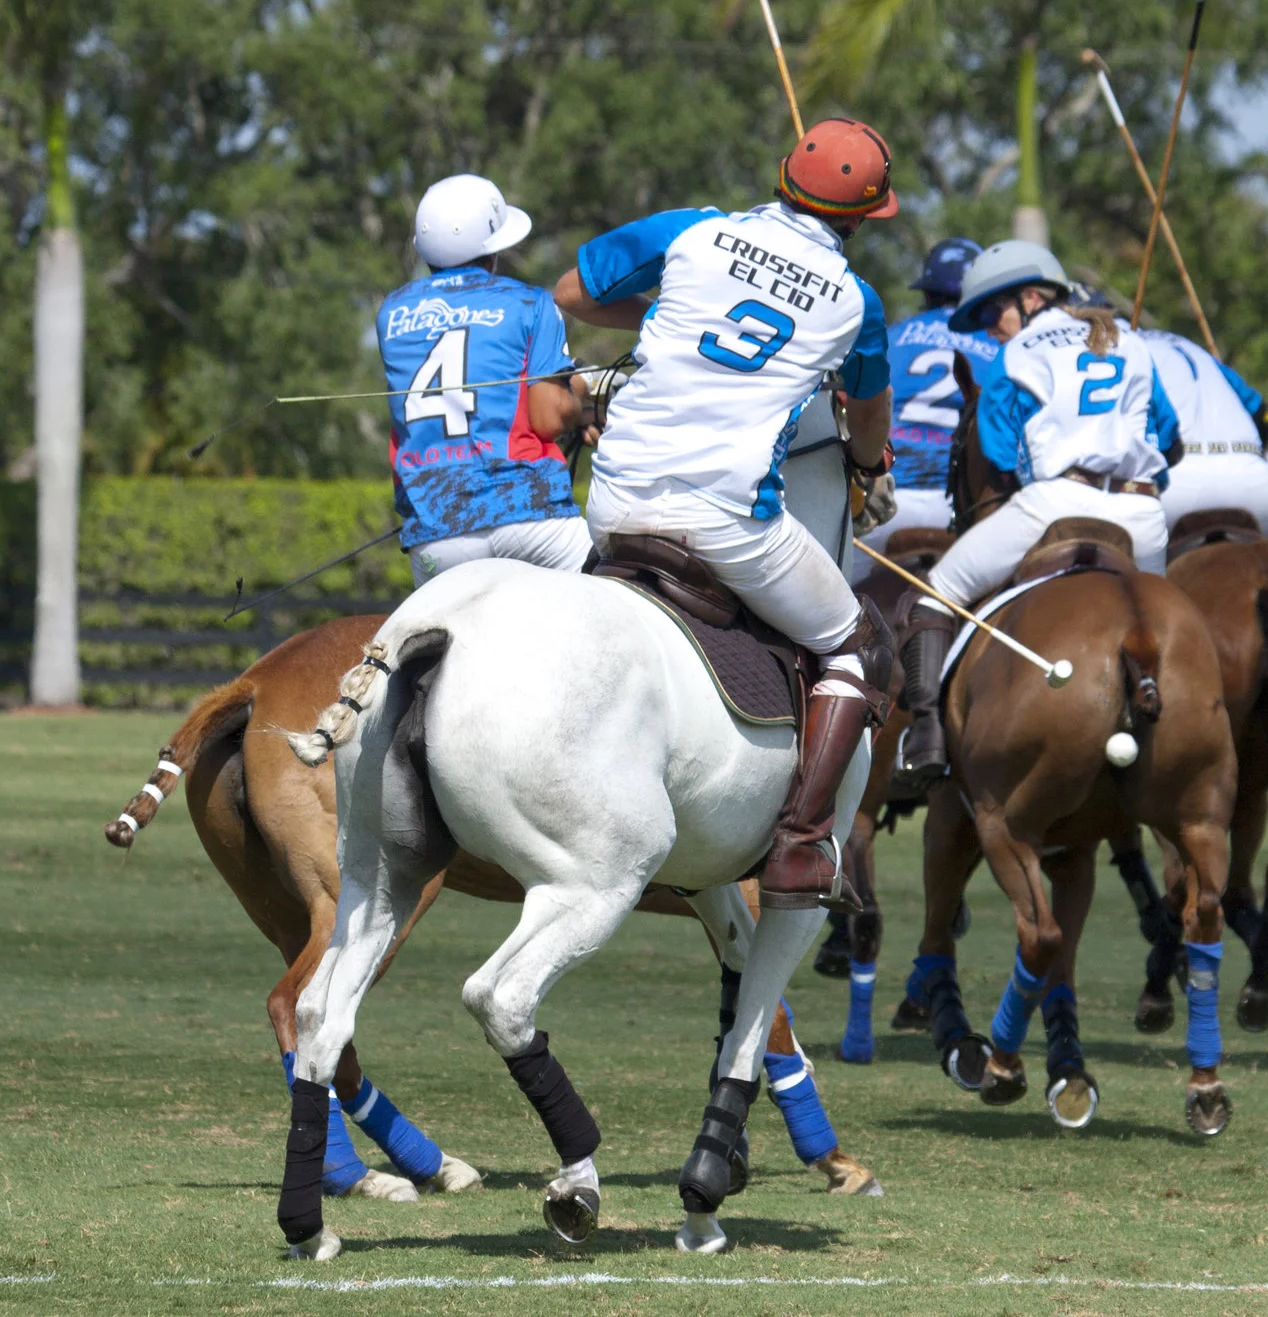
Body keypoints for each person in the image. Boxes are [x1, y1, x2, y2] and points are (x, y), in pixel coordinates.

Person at [551, 117, 899, 911]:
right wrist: (867, 458)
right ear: (861, 217)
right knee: (859, 643)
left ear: (782, 176)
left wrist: (672, 318)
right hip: (728, 521)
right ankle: (803, 845)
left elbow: (572, 293)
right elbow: (869, 419)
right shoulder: (857, 302)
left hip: (613, 499)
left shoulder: (692, 230)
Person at [893, 242, 1180, 790]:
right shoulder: (1133, 340)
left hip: (1055, 502)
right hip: (1142, 516)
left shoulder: (1020, 350)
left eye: (991, 312)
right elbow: (1168, 434)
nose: (989, 329)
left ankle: (925, 735)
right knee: (1156, 630)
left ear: (1030, 299)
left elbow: (1000, 450)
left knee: (934, 593)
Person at [382, 174, 592, 586]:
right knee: (623, 598)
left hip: (436, 540)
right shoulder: (530, 302)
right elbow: (549, 418)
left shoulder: (391, 312)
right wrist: (583, 386)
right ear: (493, 249)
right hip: (532, 521)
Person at [849, 237, 997, 582]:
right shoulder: (1000, 347)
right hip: (960, 511)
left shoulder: (891, 336)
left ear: (927, 293)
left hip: (887, 504)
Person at [1140, 324, 1268, 550]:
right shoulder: (1197, 352)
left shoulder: (1127, 351)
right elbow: (1262, 413)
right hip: (1253, 482)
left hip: (1176, 486)